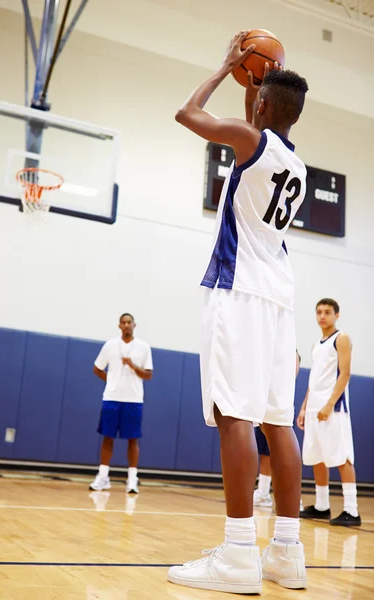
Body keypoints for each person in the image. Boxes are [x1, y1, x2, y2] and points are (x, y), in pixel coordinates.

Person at [168, 31, 309, 594]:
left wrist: (226, 67)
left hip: (239, 291)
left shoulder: (250, 141)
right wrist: (252, 80)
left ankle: (236, 553)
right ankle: (287, 552)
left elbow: (187, 113)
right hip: (280, 297)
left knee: (234, 416)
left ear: (263, 105)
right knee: (278, 421)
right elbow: (260, 116)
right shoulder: (297, 167)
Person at [298, 298, 361, 526]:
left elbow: (344, 374)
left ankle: (352, 510)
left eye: (327, 312)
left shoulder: (341, 338)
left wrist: (328, 404)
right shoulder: (317, 345)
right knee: (317, 456)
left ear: (337, 315)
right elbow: (313, 379)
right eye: (319, 312)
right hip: (315, 407)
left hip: (333, 407)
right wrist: (305, 406)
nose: (322, 316)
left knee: (341, 455)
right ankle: (322, 506)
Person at [90, 313, 153, 494]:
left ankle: (132, 480)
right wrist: (110, 381)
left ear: (134, 325)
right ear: (119, 326)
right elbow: (96, 368)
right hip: (111, 398)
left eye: (129, 322)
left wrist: (133, 366)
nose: (126, 325)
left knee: (133, 439)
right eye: (123, 323)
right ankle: (103, 477)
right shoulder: (110, 345)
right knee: (107, 436)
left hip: (133, 399)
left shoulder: (143, 347)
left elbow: (148, 375)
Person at [254, 350, 301, 508]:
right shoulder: (266, 348)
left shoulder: (290, 352)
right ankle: (263, 492)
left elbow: (289, 377)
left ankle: (294, 498)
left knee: (281, 453)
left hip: (279, 408)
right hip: (262, 406)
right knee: (264, 453)